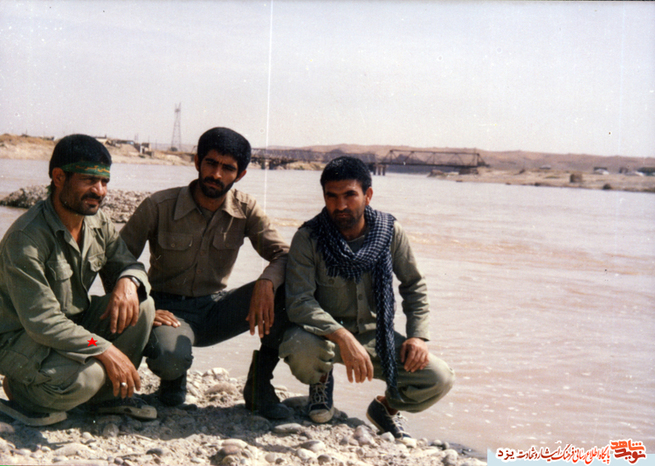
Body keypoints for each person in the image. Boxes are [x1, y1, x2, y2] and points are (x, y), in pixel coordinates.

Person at [120, 127, 291, 419]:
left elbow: (284, 255)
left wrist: (266, 280)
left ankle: (260, 384)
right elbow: (118, 258)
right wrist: (143, 306)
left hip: (216, 310)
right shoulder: (159, 206)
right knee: (170, 358)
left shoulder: (246, 209)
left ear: (240, 174)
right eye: (211, 163)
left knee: (286, 291)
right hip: (168, 312)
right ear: (197, 161)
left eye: (228, 168)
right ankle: (173, 379)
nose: (216, 174)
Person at [279, 156, 455, 439]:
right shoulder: (308, 237)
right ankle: (321, 381)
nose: (340, 205)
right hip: (325, 336)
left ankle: (386, 408)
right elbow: (299, 302)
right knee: (300, 348)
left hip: (377, 337)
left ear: (368, 195)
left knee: (438, 378)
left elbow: (413, 284)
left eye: (350, 195)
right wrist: (343, 337)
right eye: (332, 196)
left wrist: (417, 336)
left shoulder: (389, 232)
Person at [0, 134, 157, 426]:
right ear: (59, 177)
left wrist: (127, 281)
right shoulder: (26, 238)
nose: (100, 191)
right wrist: (104, 348)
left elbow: (130, 264)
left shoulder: (98, 221)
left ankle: (108, 399)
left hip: (73, 326)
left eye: (104, 182)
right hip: (24, 340)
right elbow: (43, 322)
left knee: (143, 305)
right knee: (89, 376)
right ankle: (22, 393)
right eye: (89, 180)